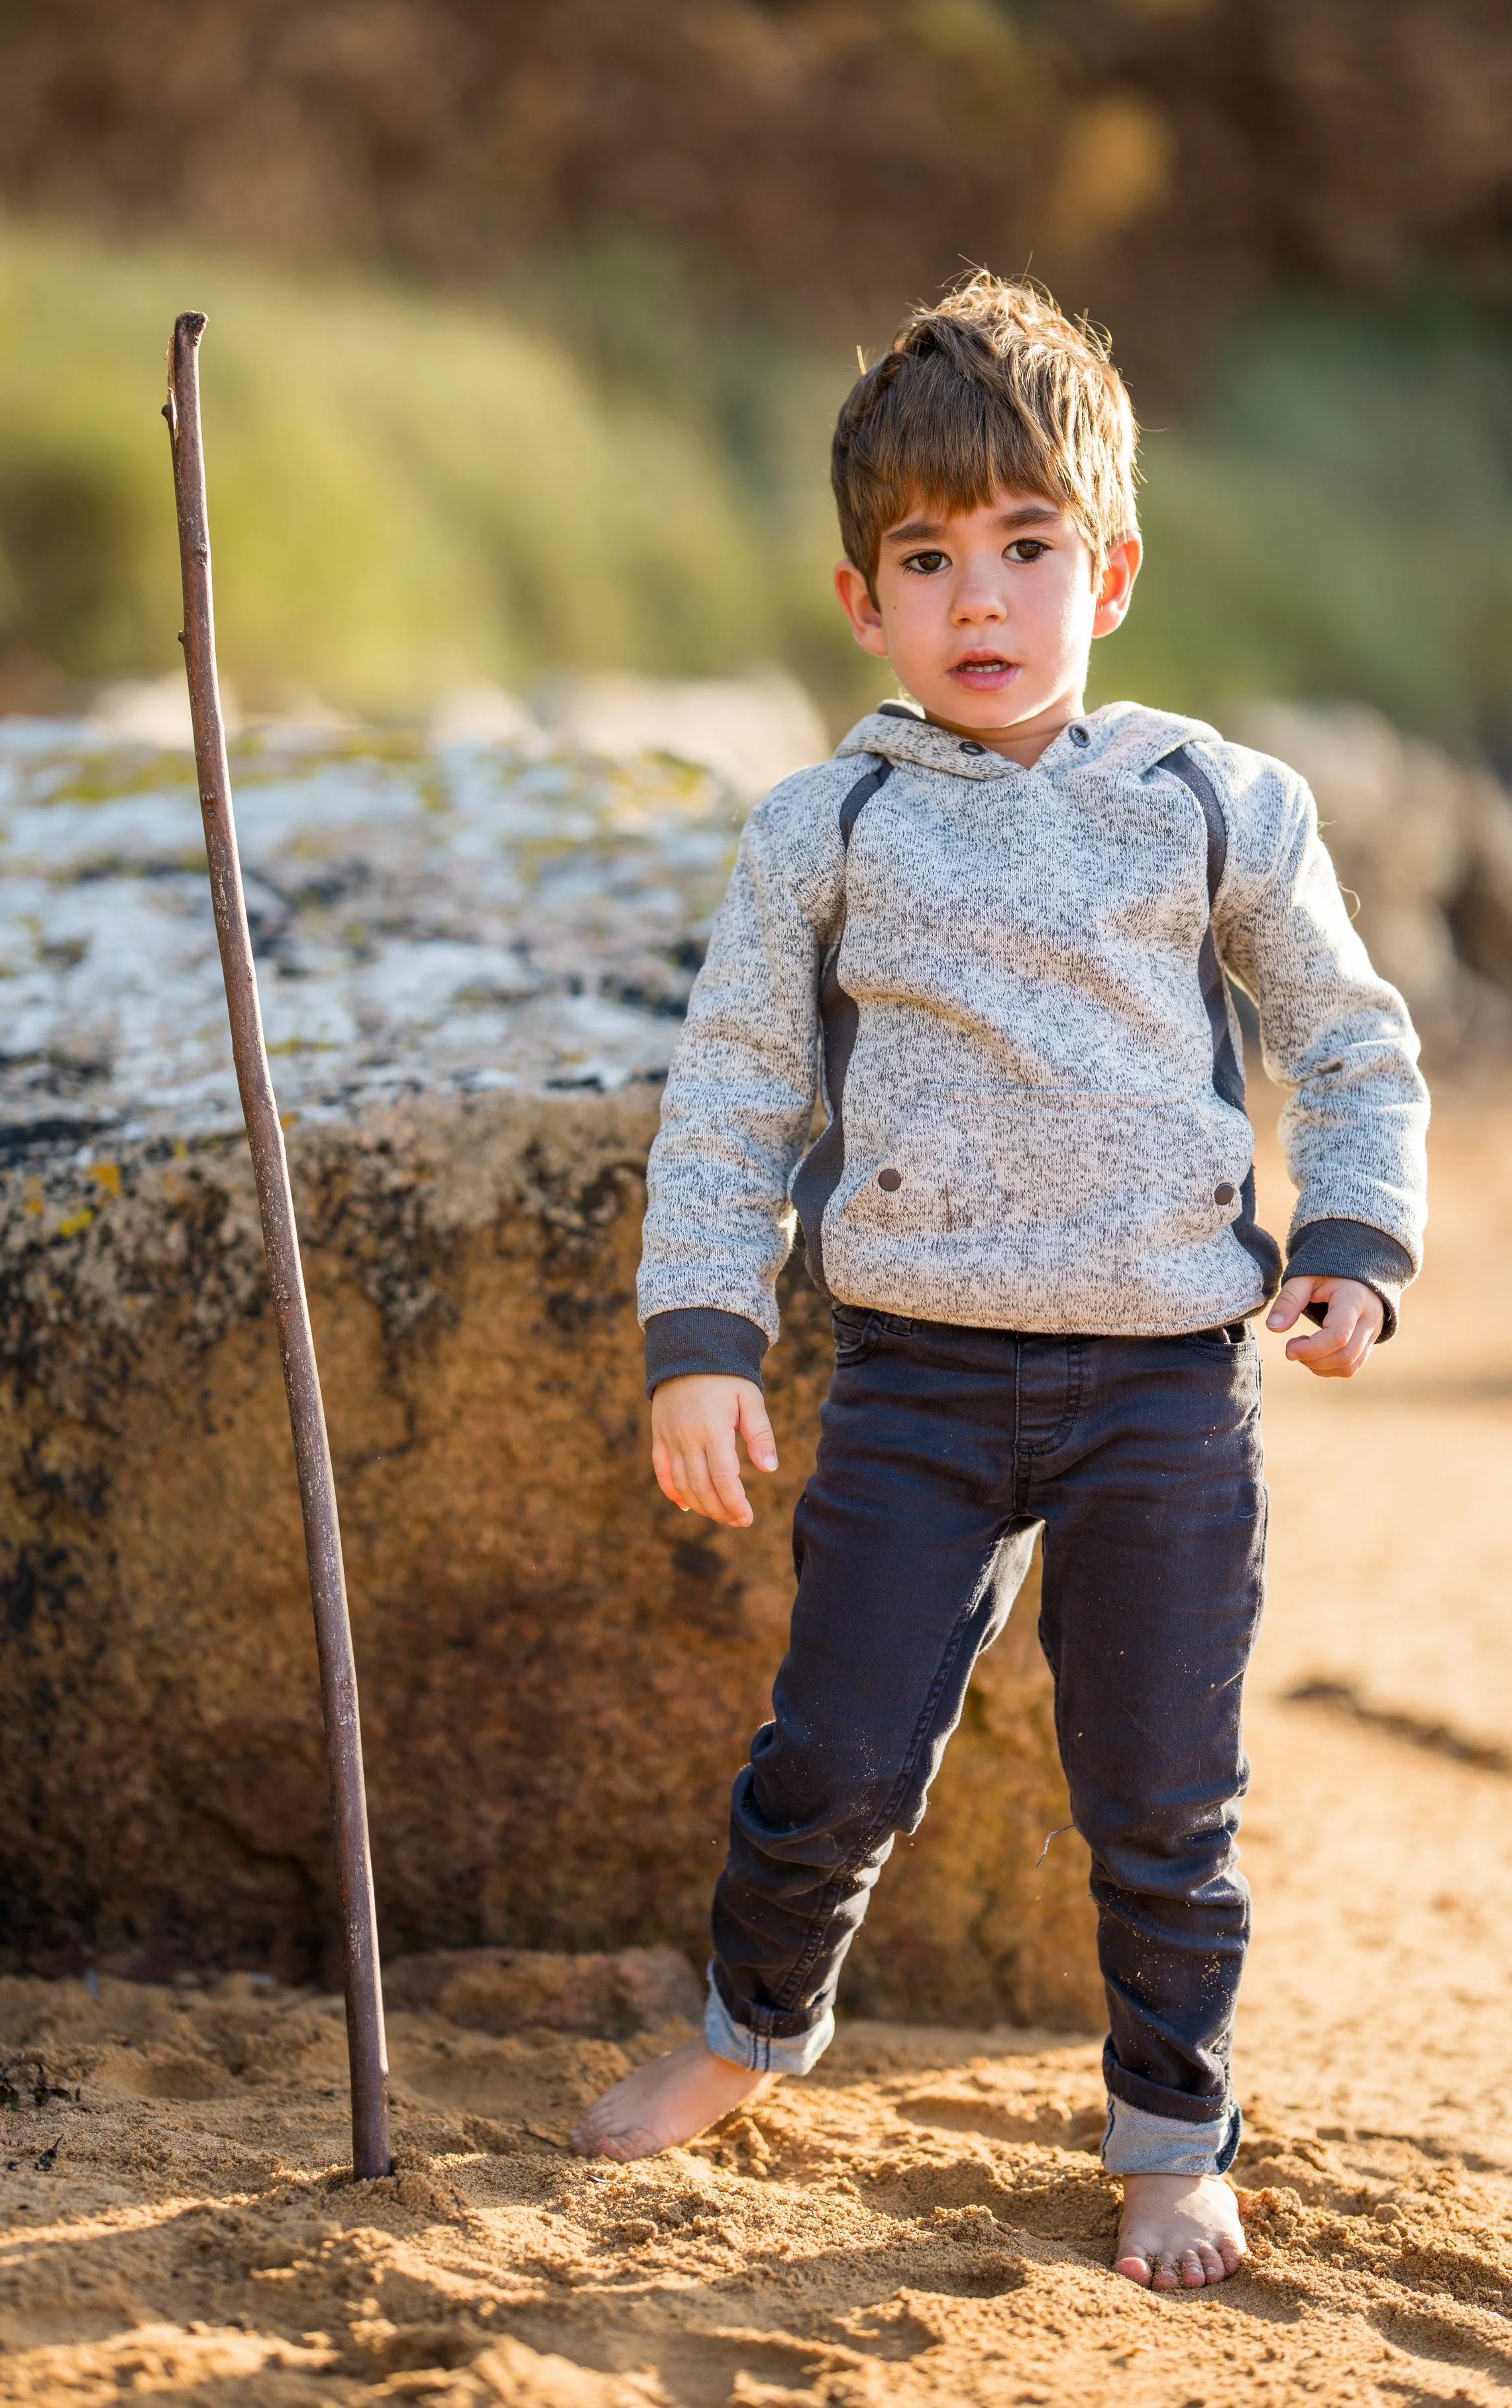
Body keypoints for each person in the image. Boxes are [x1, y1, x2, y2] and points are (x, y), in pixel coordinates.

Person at [570, 274, 1428, 2293]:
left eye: (1026, 548)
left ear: (1107, 569)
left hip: (1161, 1390)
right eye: (929, 557)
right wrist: (696, 1339)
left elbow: (1350, 1034)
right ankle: (744, 2033)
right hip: (920, 1381)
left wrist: (1349, 1247)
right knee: (837, 1756)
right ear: (860, 599)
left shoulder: (1211, 798)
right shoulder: (827, 823)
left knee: (1161, 1793)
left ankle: (1167, 2133)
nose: (982, 598)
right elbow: (730, 1102)